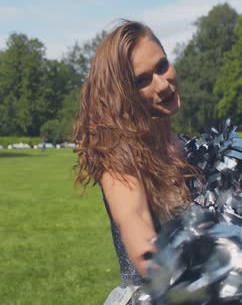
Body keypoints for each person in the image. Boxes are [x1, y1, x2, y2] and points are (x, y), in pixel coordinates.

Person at [72, 21, 197, 304]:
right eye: (142, 80)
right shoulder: (119, 156)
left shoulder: (191, 148)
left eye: (162, 66)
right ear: (124, 93)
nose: (163, 85)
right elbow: (144, 246)